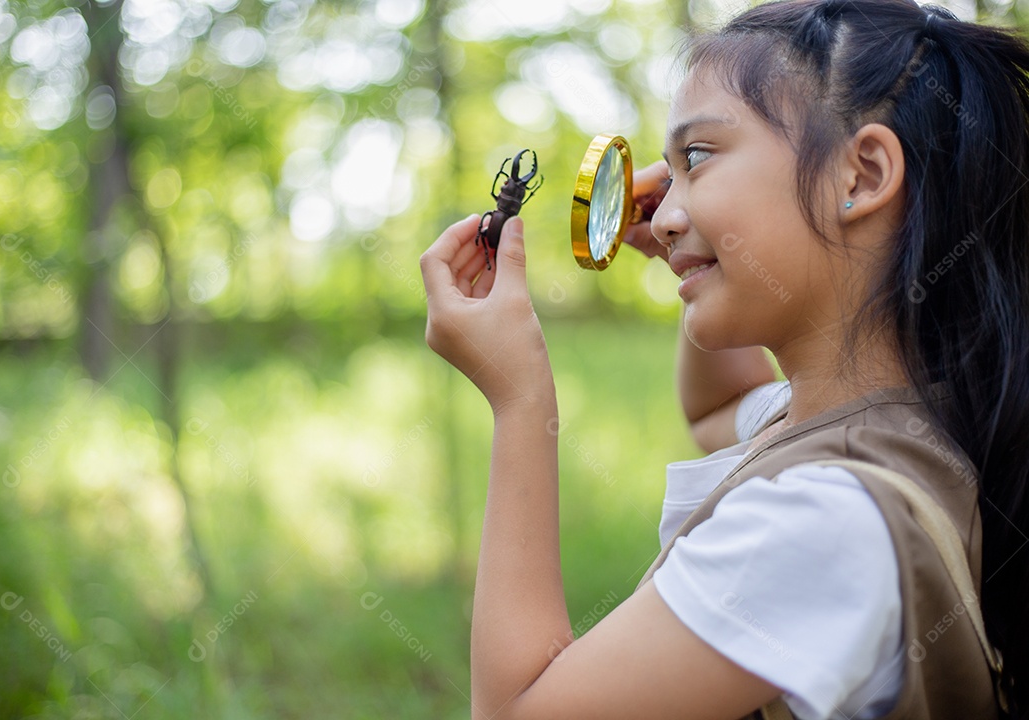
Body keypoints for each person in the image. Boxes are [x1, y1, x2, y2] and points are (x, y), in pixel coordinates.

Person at [419, 0, 1029, 717]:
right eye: (668, 176)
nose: (667, 210)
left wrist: (520, 403)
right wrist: (697, 237)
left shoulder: (825, 519)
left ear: (861, 174)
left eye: (698, 157)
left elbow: (517, 711)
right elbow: (713, 411)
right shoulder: (887, 424)